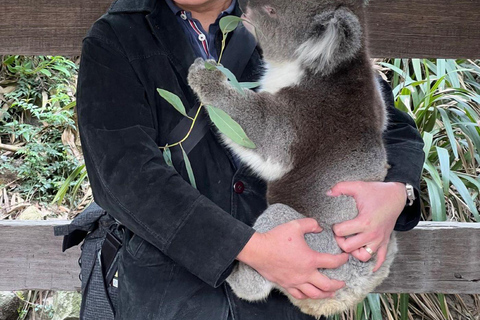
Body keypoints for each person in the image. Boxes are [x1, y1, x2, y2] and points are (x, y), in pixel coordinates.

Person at [75, 0, 425, 319]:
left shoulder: (290, 14)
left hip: (285, 302)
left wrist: (398, 191)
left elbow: (386, 128)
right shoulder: (118, 38)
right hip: (170, 296)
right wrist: (253, 250)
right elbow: (124, 178)